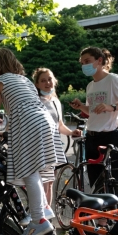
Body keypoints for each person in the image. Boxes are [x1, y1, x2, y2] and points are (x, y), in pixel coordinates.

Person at [0, 48, 65, 235]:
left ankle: (39, 220)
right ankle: (44, 208)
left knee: (28, 170)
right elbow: (22, 105)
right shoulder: (24, 80)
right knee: (38, 167)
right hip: (46, 121)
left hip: (29, 123)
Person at [70, 47, 118, 208]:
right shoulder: (90, 86)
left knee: (116, 183)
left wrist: (113, 106)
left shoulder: (113, 80)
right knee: (96, 184)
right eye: (82, 63)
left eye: (87, 61)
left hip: (111, 137)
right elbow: (93, 110)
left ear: (100, 61)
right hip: (91, 137)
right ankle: (102, 223)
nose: (84, 66)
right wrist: (81, 107)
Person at [31, 67, 82, 214]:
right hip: (39, 146)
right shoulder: (35, 101)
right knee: (42, 182)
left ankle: (47, 215)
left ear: (54, 81)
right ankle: (39, 215)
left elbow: (59, 125)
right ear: (37, 84)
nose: (47, 82)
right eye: (43, 80)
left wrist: (72, 132)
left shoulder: (55, 101)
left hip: (53, 146)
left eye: (50, 79)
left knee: (49, 182)